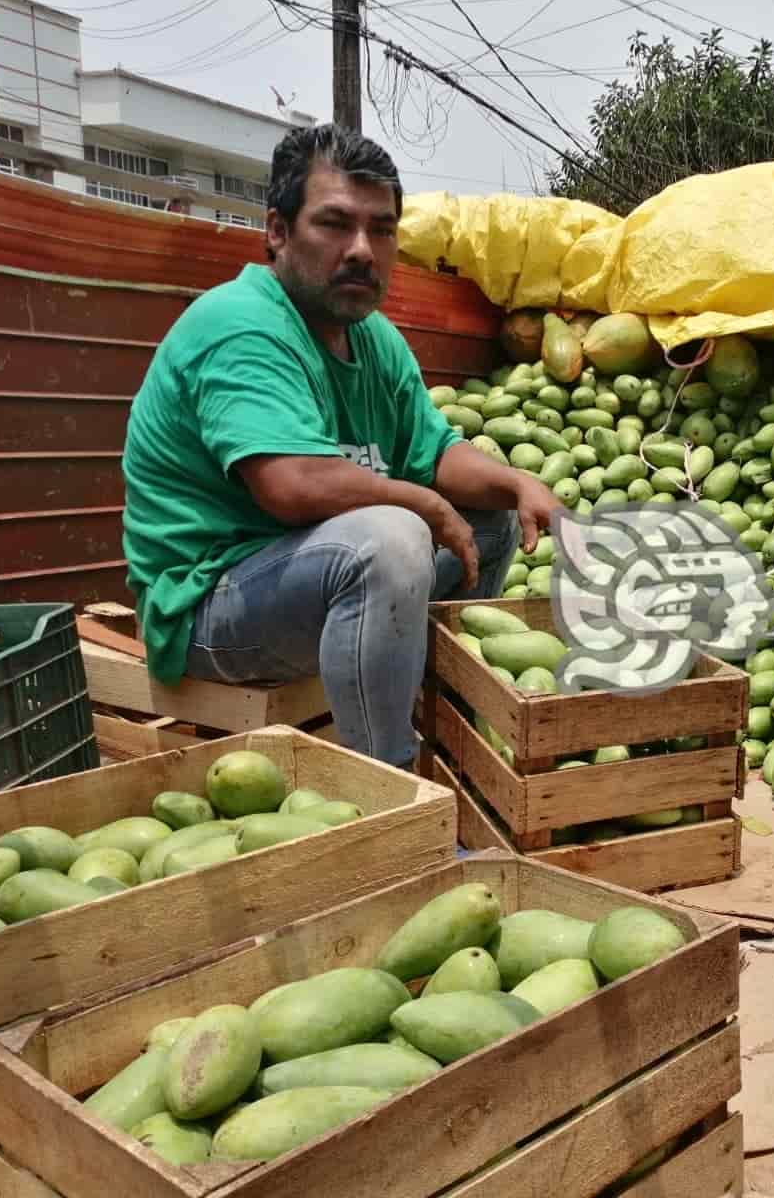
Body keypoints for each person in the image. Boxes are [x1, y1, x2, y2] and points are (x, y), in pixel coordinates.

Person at [121, 123, 564, 769]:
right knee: (389, 539)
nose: (362, 249)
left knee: (488, 521)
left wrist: (517, 483)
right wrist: (424, 507)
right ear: (278, 230)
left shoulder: (373, 335)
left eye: (382, 230)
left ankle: (441, 722)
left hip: (301, 582)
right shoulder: (240, 325)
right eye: (335, 224)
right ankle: (392, 787)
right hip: (208, 610)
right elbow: (291, 484)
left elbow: (433, 452)